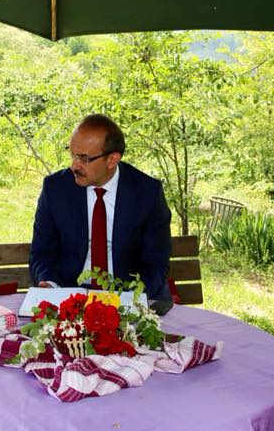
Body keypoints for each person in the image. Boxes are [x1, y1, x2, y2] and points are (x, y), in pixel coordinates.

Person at [29, 114, 172, 301]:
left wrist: (133, 299)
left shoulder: (146, 192)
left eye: (84, 158)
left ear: (112, 160)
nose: (74, 165)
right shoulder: (56, 189)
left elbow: (156, 261)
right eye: (72, 154)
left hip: (127, 294)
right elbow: (41, 253)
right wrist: (49, 284)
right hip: (70, 293)